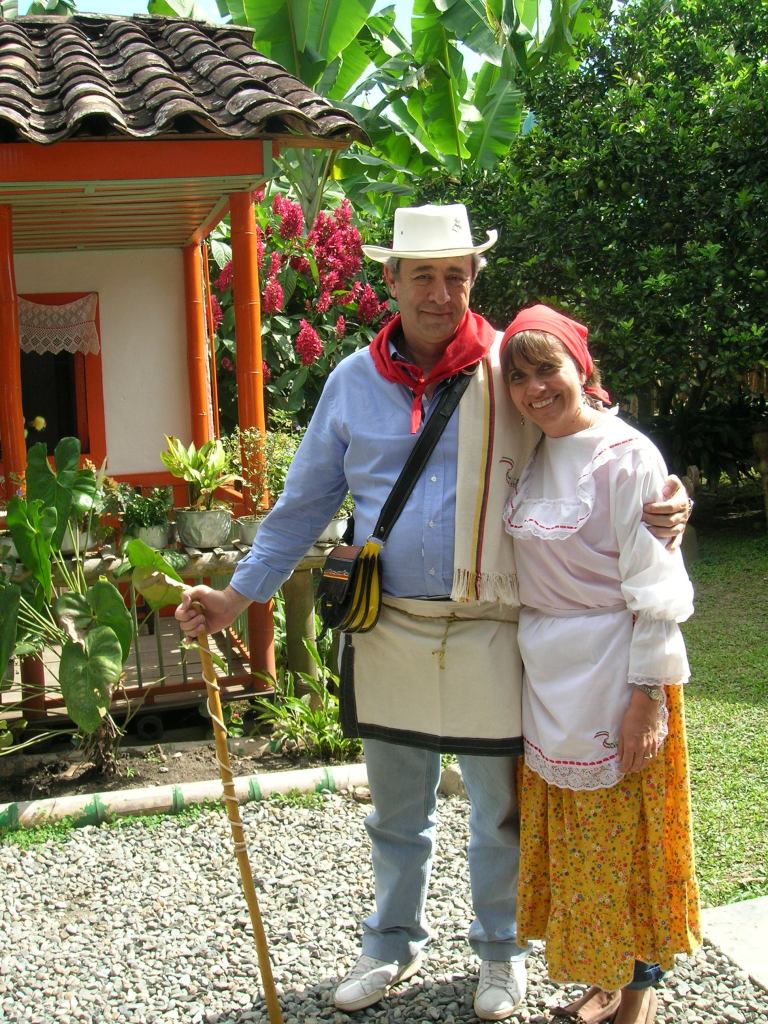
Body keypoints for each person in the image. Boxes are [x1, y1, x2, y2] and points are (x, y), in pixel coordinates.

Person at [175, 205, 691, 1021]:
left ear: (474, 278)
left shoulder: (511, 368)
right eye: (423, 275)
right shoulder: (351, 381)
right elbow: (303, 505)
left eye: (456, 275)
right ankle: (389, 944)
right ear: (391, 279)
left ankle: (500, 952)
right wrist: (236, 596)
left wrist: (668, 497)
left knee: (499, 812)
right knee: (396, 811)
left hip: (493, 629)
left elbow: (593, 436)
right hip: (388, 627)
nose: (440, 293)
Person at [500, 304, 701, 1024]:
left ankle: (636, 997)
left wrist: (648, 695)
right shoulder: (526, 450)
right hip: (548, 673)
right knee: (579, 845)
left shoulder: (628, 456)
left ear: (581, 368)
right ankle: (602, 976)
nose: (534, 388)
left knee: (628, 841)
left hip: (618, 669)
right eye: (518, 376)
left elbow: (655, 585)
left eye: (546, 368)